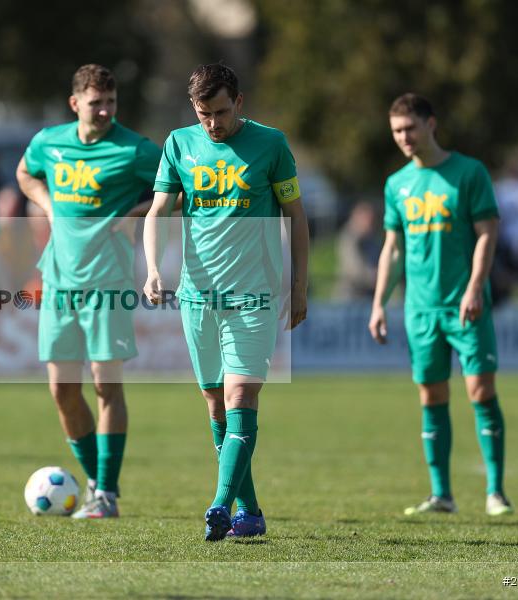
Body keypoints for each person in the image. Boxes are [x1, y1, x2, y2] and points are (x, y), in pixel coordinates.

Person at [143, 63, 310, 541]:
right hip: (197, 295)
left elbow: (295, 216)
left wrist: (299, 285)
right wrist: (154, 269)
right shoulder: (179, 144)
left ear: (239, 102)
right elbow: (158, 210)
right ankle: (250, 511)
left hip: (254, 294)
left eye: (220, 112)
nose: (212, 123)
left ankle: (219, 505)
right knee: (216, 403)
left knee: (241, 396)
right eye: (204, 114)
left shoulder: (271, 144)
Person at [16, 64, 162, 519]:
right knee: (62, 390)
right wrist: (48, 205)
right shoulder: (49, 141)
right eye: (96, 103)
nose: (105, 111)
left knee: (104, 385)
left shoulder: (135, 149)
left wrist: (137, 214)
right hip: (58, 278)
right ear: (74, 103)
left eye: (111, 103)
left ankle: (106, 494)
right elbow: (25, 173)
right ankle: (96, 482)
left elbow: (181, 189)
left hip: (108, 281)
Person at [368, 93, 513, 517]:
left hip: (466, 304)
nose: (403, 137)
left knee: (480, 389)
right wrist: (379, 304)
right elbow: (393, 249)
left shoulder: (469, 172)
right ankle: (441, 495)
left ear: (431, 124)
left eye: (409, 128)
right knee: (431, 394)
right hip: (420, 309)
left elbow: (487, 233)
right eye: (396, 131)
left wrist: (475, 287)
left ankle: (496, 491)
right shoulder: (397, 184)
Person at [334, 201, 382, 300]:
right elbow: (353, 269)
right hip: (350, 296)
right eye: (366, 219)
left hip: (370, 295)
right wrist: (376, 276)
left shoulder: (373, 239)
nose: (370, 223)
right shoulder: (348, 238)